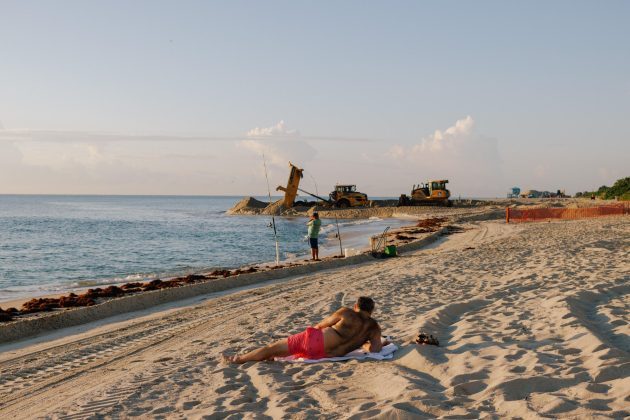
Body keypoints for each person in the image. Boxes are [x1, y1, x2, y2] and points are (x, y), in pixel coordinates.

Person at [223, 297, 386, 364]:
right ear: (371, 311)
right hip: (329, 354)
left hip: (316, 341)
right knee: (279, 351)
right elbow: (376, 350)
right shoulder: (374, 327)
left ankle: (237, 359)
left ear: (356, 306)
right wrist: (364, 345)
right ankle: (269, 356)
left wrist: (310, 332)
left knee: (272, 348)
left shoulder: (346, 312)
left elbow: (320, 326)